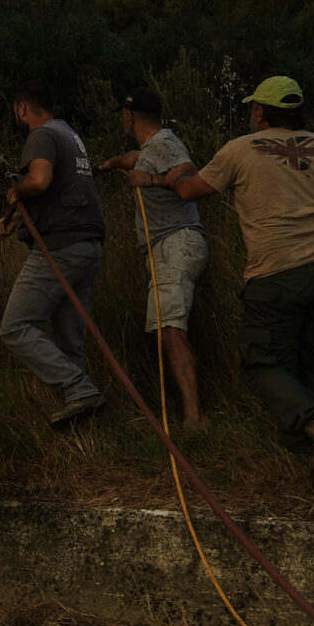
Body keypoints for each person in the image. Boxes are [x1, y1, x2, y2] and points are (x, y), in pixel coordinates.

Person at [131, 75, 314, 484]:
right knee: (312, 354)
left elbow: (189, 191)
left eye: (253, 108)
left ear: (260, 111)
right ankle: (307, 445)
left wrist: (154, 178)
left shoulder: (240, 150)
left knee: (262, 357)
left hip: (278, 268)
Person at [0, 82, 108, 429]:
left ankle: (79, 389)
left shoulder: (40, 136)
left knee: (14, 327)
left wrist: (15, 188)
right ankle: (86, 431)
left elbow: (39, 181)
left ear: (23, 108)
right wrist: (11, 221)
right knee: (69, 340)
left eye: (16, 110)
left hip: (59, 249)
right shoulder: (70, 135)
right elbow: (54, 191)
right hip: (88, 247)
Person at [101, 87, 207, 430]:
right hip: (169, 246)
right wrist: (112, 164)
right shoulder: (154, 146)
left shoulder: (163, 143)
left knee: (171, 329)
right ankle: (192, 415)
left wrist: (151, 180)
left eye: (123, 115)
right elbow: (138, 157)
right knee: (167, 328)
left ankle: (195, 418)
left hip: (175, 243)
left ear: (129, 116)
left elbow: (189, 173)